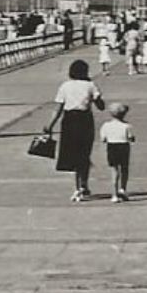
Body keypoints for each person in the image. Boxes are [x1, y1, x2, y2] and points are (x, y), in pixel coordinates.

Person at [43, 59, 106, 202]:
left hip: (69, 120)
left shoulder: (65, 86)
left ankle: (78, 187)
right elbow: (101, 106)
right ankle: (84, 184)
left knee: (72, 153)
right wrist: (96, 97)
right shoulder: (90, 85)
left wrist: (50, 125)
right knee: (84, 152)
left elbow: (58, 109)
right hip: (85, 120)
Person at [100, 102, 136, 203]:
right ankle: (123, 189)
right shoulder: (127, 126)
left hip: (112, 147)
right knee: (124, 169)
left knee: (114, 171)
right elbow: (131, 138)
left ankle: (114, 194)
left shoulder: (106, 125)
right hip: (124, 147)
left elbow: (103, 139)